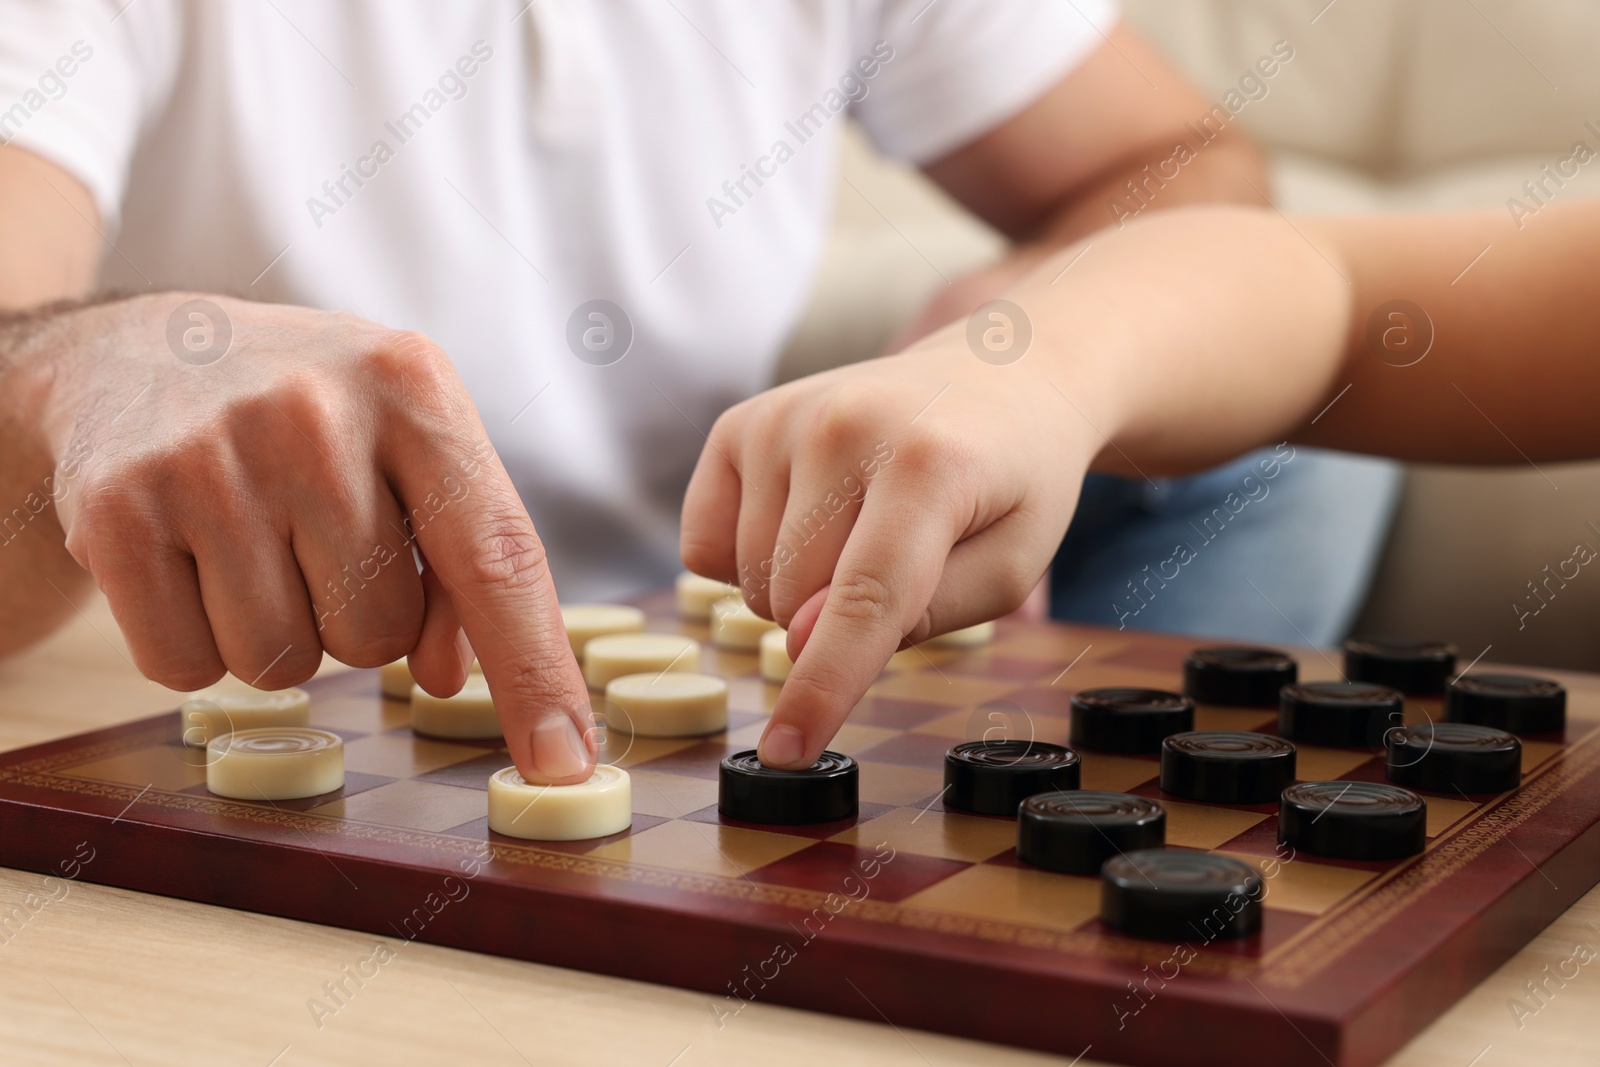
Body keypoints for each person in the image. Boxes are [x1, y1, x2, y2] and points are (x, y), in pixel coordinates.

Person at [0, 0, 1374, 784]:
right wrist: (75, 368)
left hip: (703, 628)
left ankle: (1081, 816)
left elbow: (1181, 166)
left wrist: (1014, 339)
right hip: (258, 679)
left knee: (1289, 422)